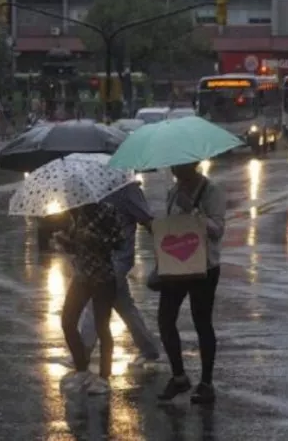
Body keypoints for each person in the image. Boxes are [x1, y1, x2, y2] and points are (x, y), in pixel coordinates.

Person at [157, 162, 226, 405]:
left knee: (202, 322)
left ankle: (206, 382)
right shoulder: (173, 191)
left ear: (192, 166)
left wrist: (195, 213)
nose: (175, 171)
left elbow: (218, 230)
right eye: (173, 167)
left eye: (180, 167)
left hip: (204, 267)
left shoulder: (211, 191)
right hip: (176, 266)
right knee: (165, 319)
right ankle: (178, 376)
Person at [76, 182, 161, 366]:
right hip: (98, 259)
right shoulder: (93, 186)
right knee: (124, 305)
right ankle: (149, 349)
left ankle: (83, 352)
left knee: (96, 300)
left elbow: (148, 220)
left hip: (118, 258)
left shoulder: (128, 189)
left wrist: (164, 252)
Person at [54, 201, 126, 395]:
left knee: (102, 327)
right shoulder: (78, 213)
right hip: (81, 276)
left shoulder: (108, 210)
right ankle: (82, 369)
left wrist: (93, 238)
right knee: (68, 321)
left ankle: (104, 376)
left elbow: (119, 241)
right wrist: (65, 241)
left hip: (103, 276)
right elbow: (76, 246)